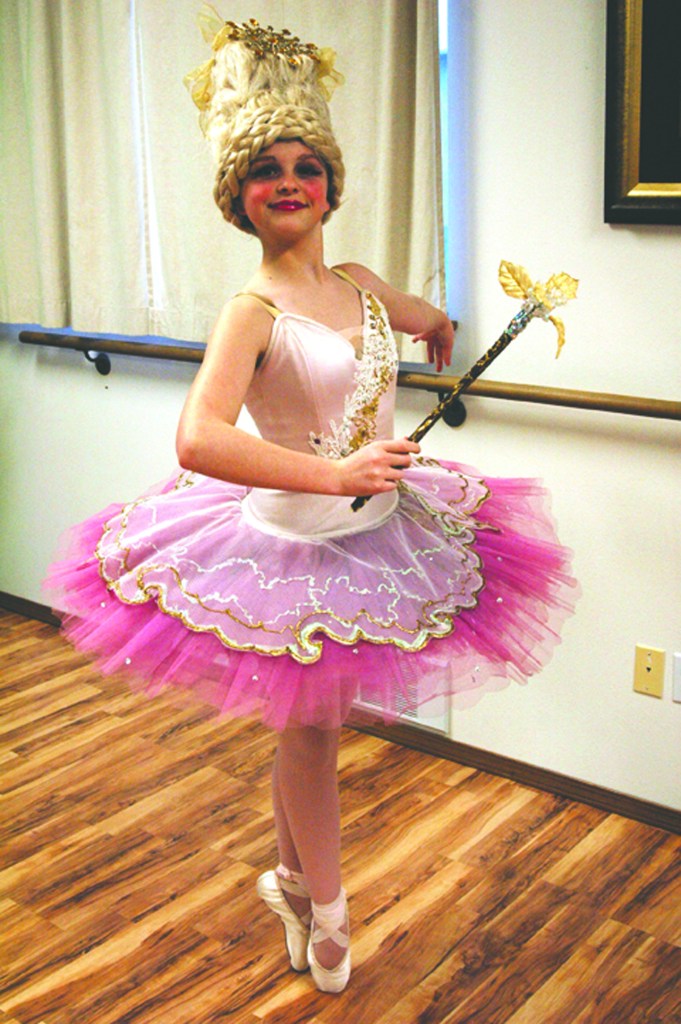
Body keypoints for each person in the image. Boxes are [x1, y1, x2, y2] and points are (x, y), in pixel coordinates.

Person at [44, 12, 578, 996]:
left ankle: (293, 888)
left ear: (331, 183)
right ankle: (329, 918)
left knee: (307, 727)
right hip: (290, 546)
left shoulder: (361, 285)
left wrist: (438, 327)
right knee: (315, 731)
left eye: (305, 166)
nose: (288, 181)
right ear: (239, 198)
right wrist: (335, 474)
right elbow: (199, 438)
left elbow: (414, 318)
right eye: (265, 170)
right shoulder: (252, 312)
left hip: (379, 535)